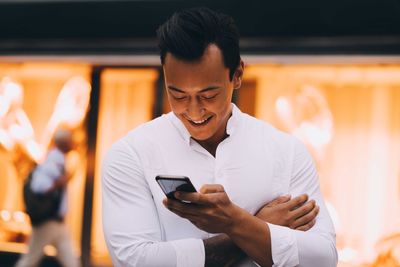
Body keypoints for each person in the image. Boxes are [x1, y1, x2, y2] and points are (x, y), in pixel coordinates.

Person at [102, 7, 337, 267]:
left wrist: (233, 221)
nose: (193, 111)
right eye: (178, 95)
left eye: (208, 95)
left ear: (237, 76)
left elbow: (322, 259)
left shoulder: (286, 151)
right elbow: (136, 261)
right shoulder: (130, 154)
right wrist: (251, 228)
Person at [16, 129, 80, 267]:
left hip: (58, 223)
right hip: (47, 221)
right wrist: (59, 183)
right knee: (29, 260)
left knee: (71, 262)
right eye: (70, 140)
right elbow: (39, 187)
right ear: (63, 142)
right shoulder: (53, 161)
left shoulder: (60, 160)